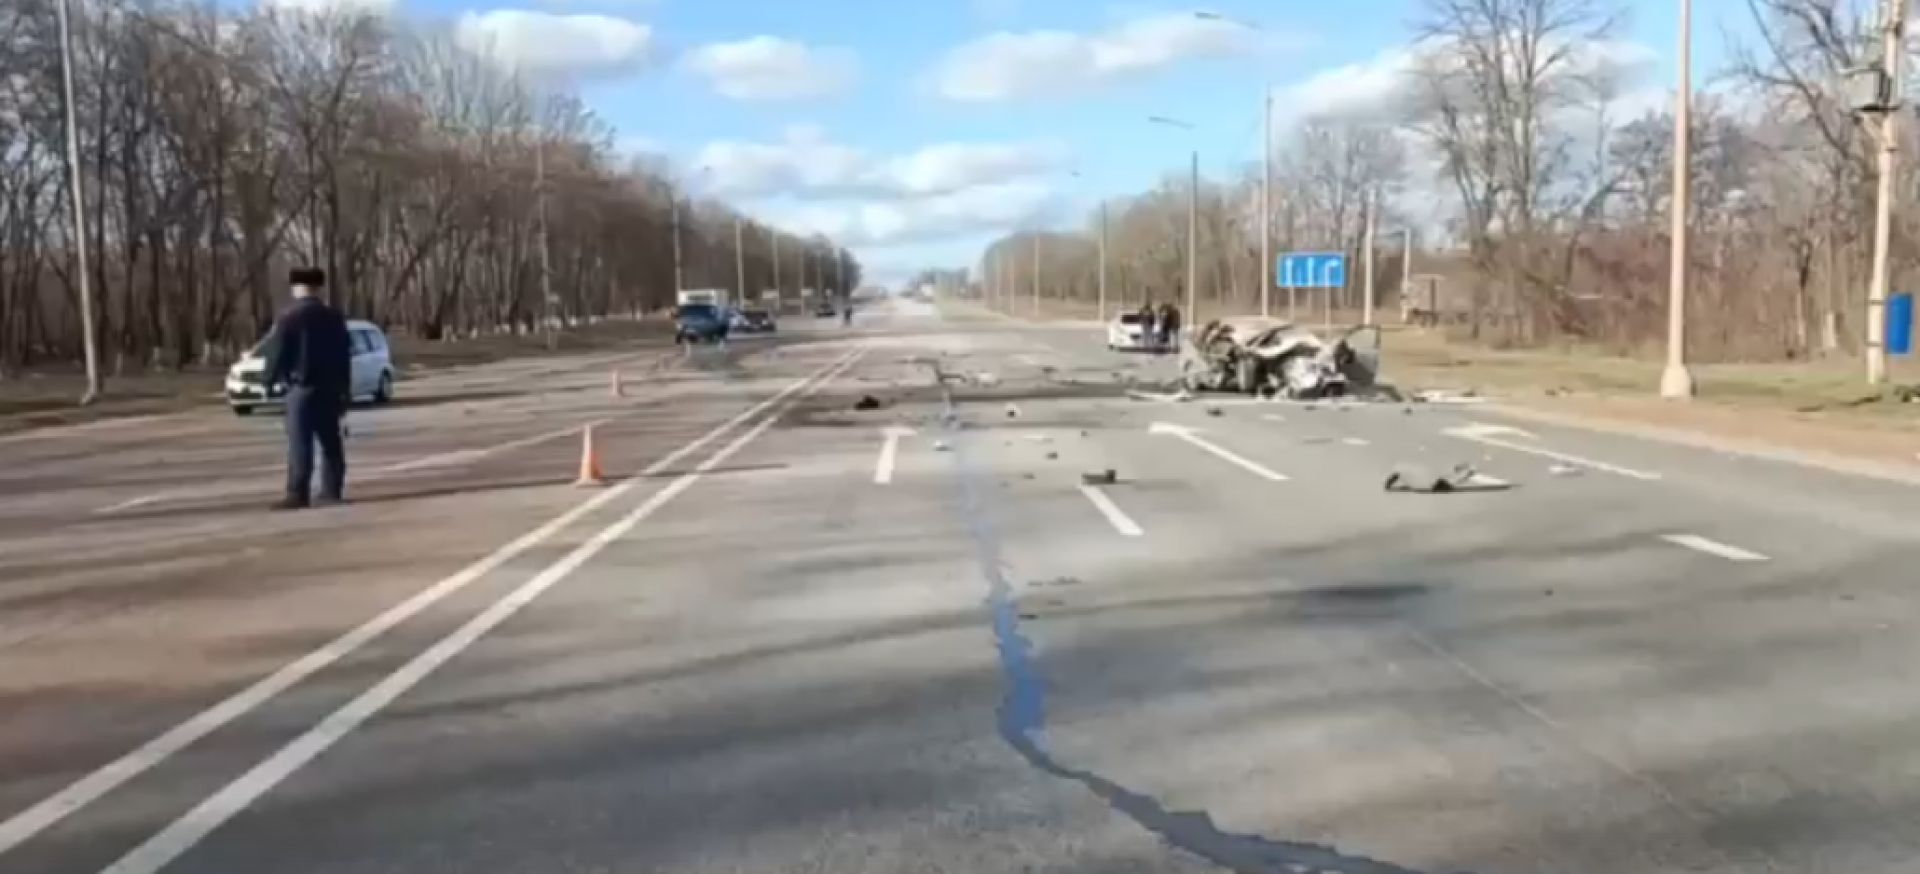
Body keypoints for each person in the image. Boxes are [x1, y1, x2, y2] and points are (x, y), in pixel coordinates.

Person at [265, 267, 353, 510]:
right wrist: (345, 390)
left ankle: (298, 493)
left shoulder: (289, 317)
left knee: (300, 442)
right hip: (330, 387)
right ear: (319, 288)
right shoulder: (334, 317)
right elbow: (344, 355)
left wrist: (269, 381)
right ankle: (332, 489)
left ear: (295, 288)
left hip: (300, 388)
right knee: (330, 441)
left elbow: (278, 353)